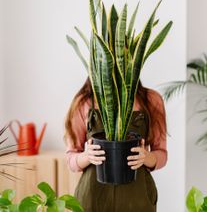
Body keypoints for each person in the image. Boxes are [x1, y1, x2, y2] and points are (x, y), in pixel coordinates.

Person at [64, 77, 167, 212]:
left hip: (137, 198)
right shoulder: (84, 102)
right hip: (93, 197)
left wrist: (147, 157)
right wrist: (87, 156)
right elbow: (70, 157)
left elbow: (162, 153)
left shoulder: (151, 100)